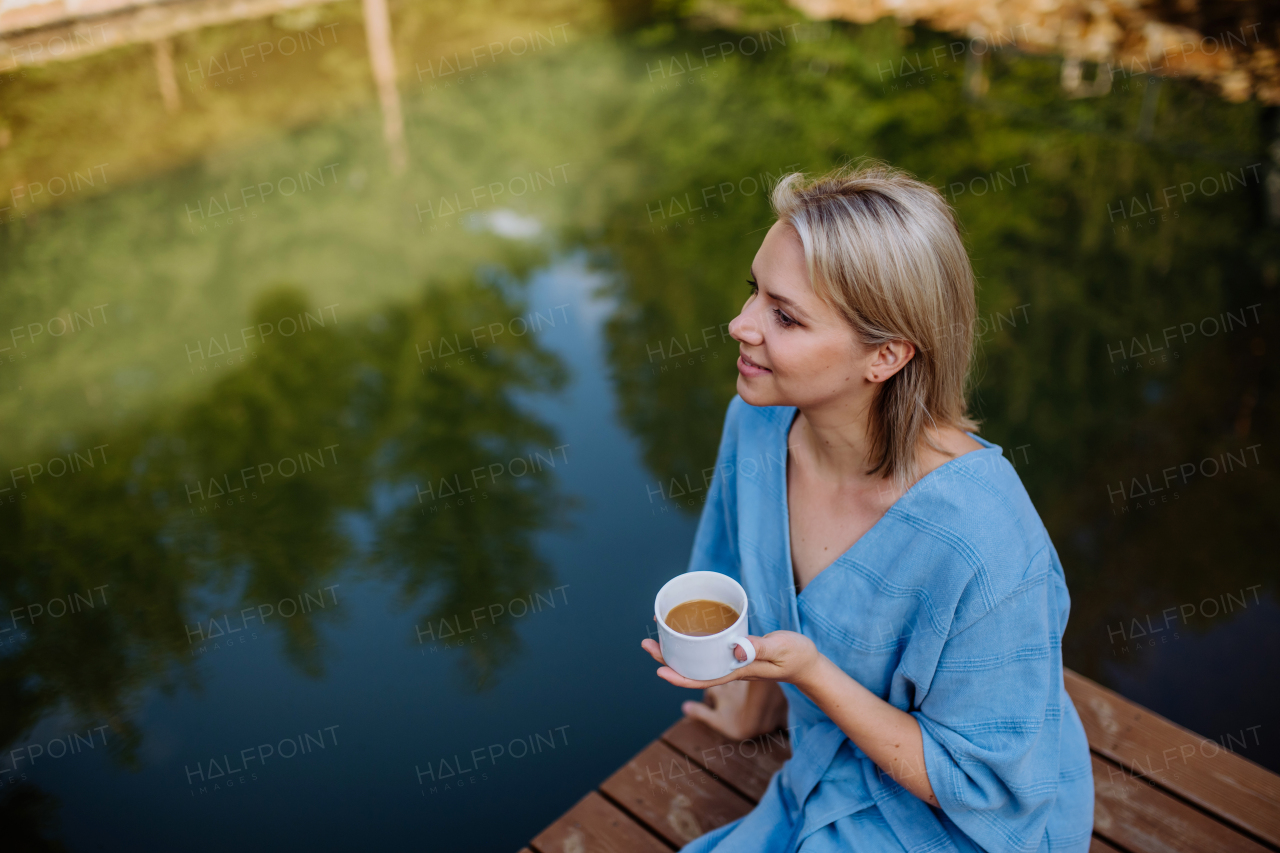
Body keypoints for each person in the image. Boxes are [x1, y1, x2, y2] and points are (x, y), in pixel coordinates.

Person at [640, 161, 1094, 853]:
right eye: (753, 292)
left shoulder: (986, 540)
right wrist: (750, 703)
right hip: (822, 763)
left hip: (962, 822)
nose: (740, 324)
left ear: (884, 355)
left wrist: (810, 673)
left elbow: (990, 788)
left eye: (784, 315)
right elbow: (744, 592)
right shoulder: (757, 426)